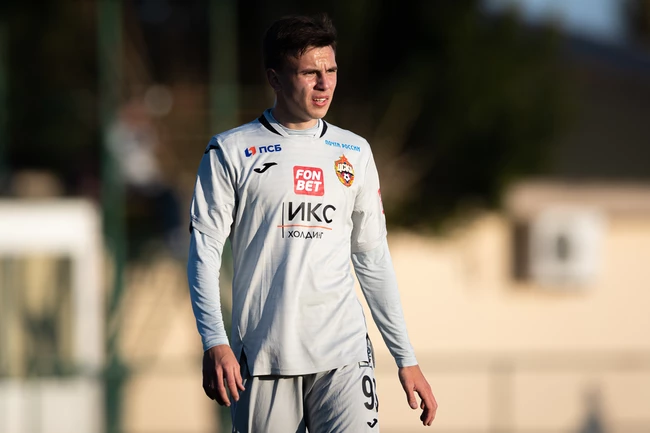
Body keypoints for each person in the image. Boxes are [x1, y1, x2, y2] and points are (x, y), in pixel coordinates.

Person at [187, 13, 437, 432]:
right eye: (309, 73)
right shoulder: (230, 151)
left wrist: (405, 357)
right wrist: (214, 340)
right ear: (275, 78)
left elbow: (372, 259)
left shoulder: (354, 152)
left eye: (331, 70)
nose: (324, 84)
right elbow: (204, 254)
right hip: (265, 359)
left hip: (344, 354)